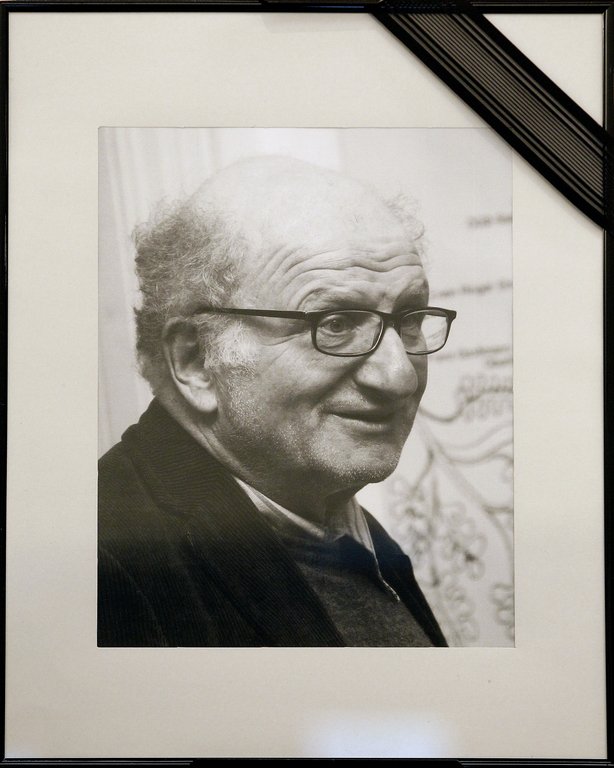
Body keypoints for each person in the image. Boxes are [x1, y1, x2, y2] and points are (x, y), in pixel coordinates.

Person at [98, 155, 456, 647]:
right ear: (196, 360)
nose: (399, 377)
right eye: (335, 324)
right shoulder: (107, 566)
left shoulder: (348, 533)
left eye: (410, 318)